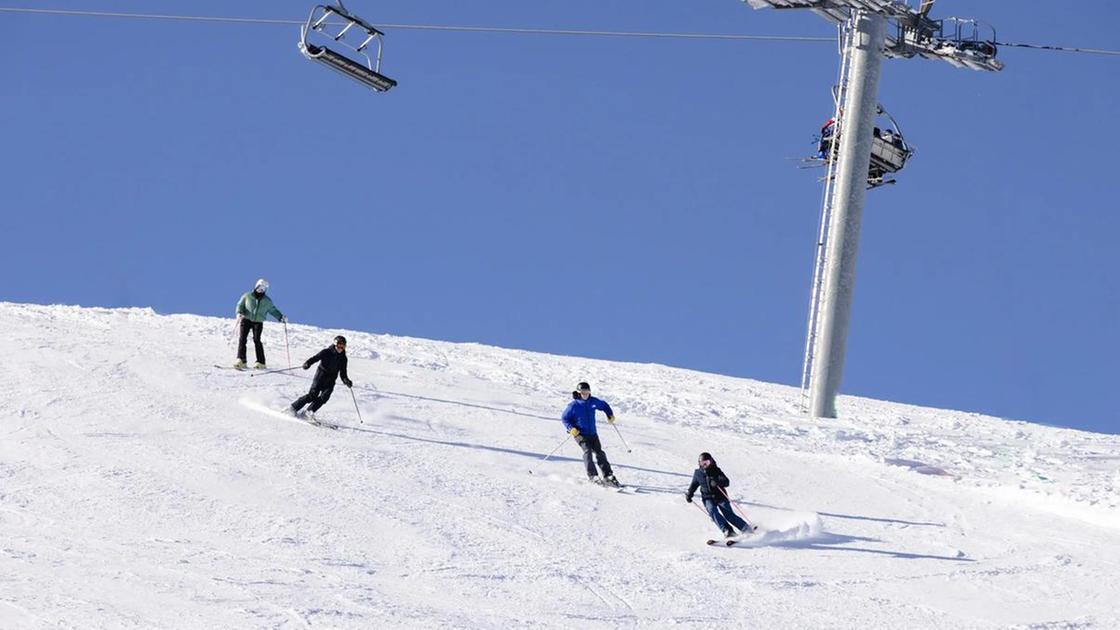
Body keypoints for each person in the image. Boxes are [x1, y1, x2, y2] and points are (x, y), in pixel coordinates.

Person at [561, 381, 619, 487]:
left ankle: (608, 475)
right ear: (578, 392)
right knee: (587, 451)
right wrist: (571, 428)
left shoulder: (593, 401)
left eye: (587, 391)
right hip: (580, 433)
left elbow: (604, 405)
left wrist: (610, 415)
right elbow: (564, 418)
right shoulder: (573, 405)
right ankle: (593, 476)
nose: (585, 394)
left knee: (599, 453)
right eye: (582, 392)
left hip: (592, 433)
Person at [685, 452, 752, 538]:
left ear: (711, 461)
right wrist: (689, 494)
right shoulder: (698, 473)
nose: (705, 465)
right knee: (712, 512)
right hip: (707, 498)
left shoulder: (716, 470)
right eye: (702, 463)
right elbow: (693, 484)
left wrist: (718, 482)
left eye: (707, 462)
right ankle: (727, 530)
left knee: (728, 515)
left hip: (720, 496)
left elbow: (726, 482)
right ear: (699, 463)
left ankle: (745, 528)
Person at [290, 335, 352, 419]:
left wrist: (346, 381)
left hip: (331, 380)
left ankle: (308, 412)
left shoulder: (343, 358)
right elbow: (315, 358)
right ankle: (293, 408)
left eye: (343, 345)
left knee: (324, 397)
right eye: (339, 344)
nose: (341, 347)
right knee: (312, 395)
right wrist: (307, 363)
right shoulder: (327, 352)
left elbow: (343, 373)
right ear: (335, 344)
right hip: (320, 376)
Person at [234, 278, 286, 369]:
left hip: (258, 322)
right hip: (246, 319)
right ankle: (241, 360)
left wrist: (281, 317)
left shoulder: (267, 301)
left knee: (257, 340)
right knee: (242, 339)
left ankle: (261, 362)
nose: (261, 290)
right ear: (256, 286)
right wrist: (239, 313)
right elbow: (240, 305)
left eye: (263, 288)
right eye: (259, 287)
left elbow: (273, 310)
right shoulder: (247, 296)